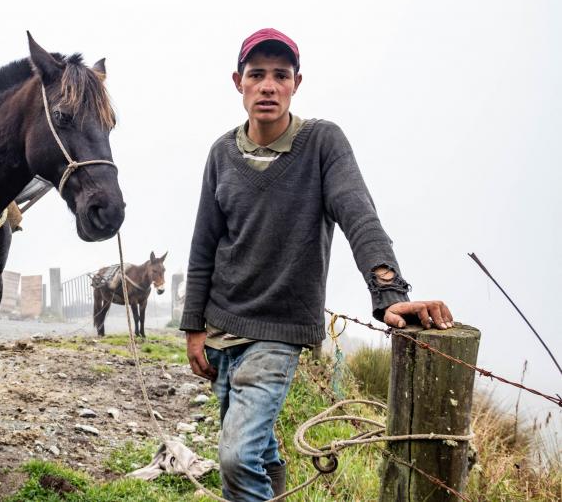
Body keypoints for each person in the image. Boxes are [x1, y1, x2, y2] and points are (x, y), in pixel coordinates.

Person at [179, 28, 453, 501]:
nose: (268, 86)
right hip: (222, 327)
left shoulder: (323, 143)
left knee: (236, 458)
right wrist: (192, 328)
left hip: (279, 332)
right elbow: (204, 244)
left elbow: (358, 214)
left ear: (296, 83)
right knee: (259, 454)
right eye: (256, 74)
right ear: (237, 82)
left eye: (280, 76)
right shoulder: (221, 154)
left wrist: (389, 293)